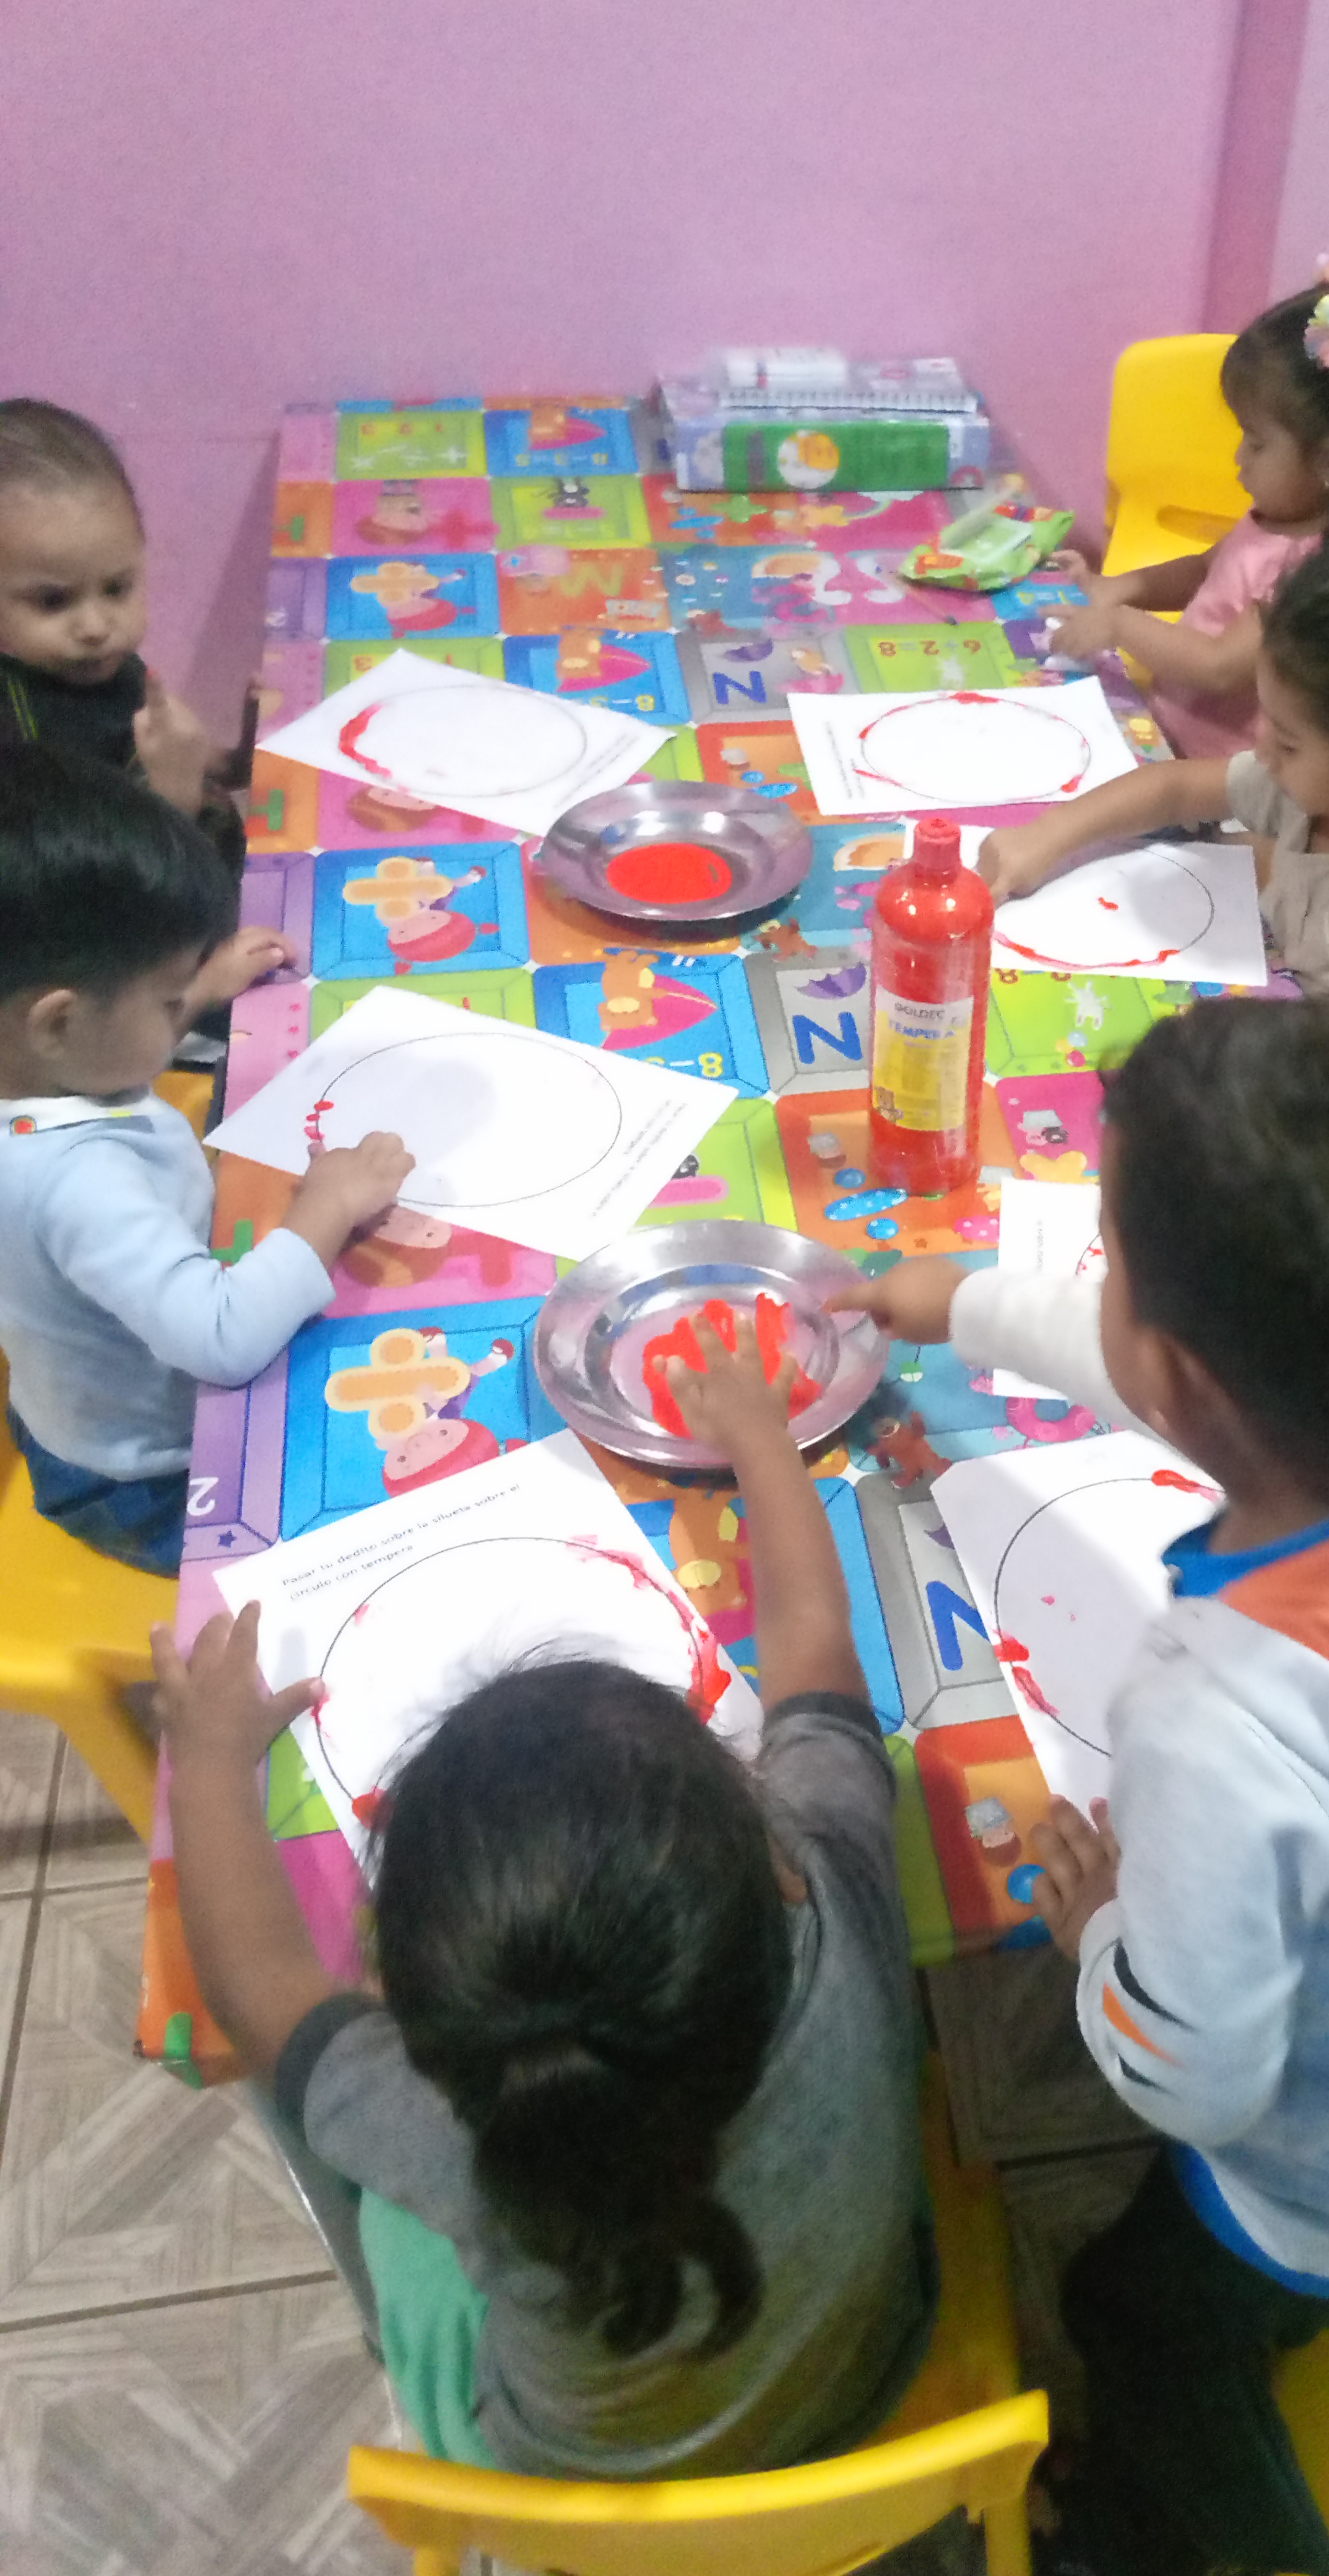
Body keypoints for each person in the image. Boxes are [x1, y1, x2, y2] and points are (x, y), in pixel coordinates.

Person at [832, 998, 1329, 2576]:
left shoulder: (1223, 1726)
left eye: (1110, 1259)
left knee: (1131, 2312)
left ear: (1184, 1364)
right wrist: (959, 1303)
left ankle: (1171, 2538)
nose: (1100, 1285)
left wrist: (1102, 1937)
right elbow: (1174, 1372)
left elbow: (1191, 2077)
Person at [149, 1316, 934, 2481]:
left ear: (405, 2004)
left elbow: (258, 1992)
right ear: (778, 1867)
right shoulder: (843, 1898)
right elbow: (816, 1644)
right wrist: (763, 1439)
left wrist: (211, 1764)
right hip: (873, 2390)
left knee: (389, 2228)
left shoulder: (466, 2139)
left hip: (578, 2498)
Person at [0, 746, 410, 1573]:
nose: (175, 1011)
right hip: (145, 1477)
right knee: (377, 1520)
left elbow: (103, 1048)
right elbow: (223, 1339)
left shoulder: (40, 1072)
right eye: (163, 999)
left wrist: (195, 991)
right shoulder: (77, 1180)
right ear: (58, 1022)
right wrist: (328, 1205)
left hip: (81, 1408)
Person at [980, 511, 1329, 1071]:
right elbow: (1175, 788)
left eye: (1289, 742)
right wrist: (1047, 835)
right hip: (1288, 1008)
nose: (1264, 749)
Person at [1045, 242, 1329, 760]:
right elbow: (1205, 568)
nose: (1240, 457)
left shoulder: (1316, 569)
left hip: (1222, 775)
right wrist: (1115, 587)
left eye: (1258, 443)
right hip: (1170, 732)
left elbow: (1220, 666)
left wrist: (1119, 624)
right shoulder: (1276, 520)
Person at [0, 401, 248, 865]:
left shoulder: (98, 665)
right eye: (53, 601)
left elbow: (139, 743)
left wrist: (232, 758)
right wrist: (173, 802)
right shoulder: (20, 738)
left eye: (117, 588)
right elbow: (94, 889)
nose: (96, 628)